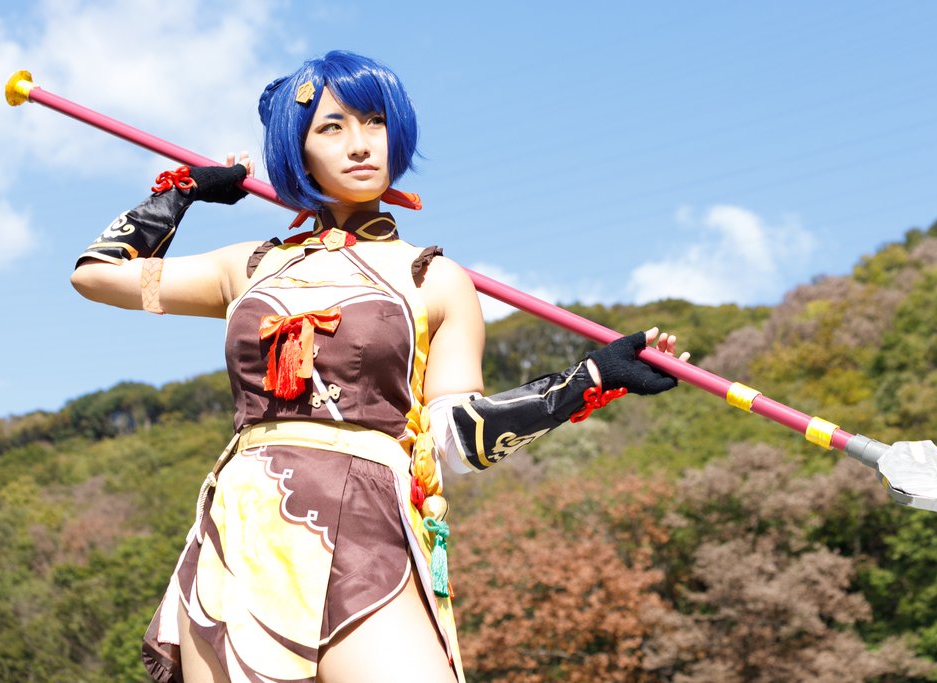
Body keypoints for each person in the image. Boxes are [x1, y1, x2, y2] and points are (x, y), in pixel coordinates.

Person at [70, 50, 686, 683]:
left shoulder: (435, 279)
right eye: (331, 127)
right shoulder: (246, 267)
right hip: (247, 522)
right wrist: (185, 192)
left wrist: (587, 382)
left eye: (375, 122)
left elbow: (452, 439)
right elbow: (96, 274)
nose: (361, 144)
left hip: (370, 524)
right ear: (296, 149)